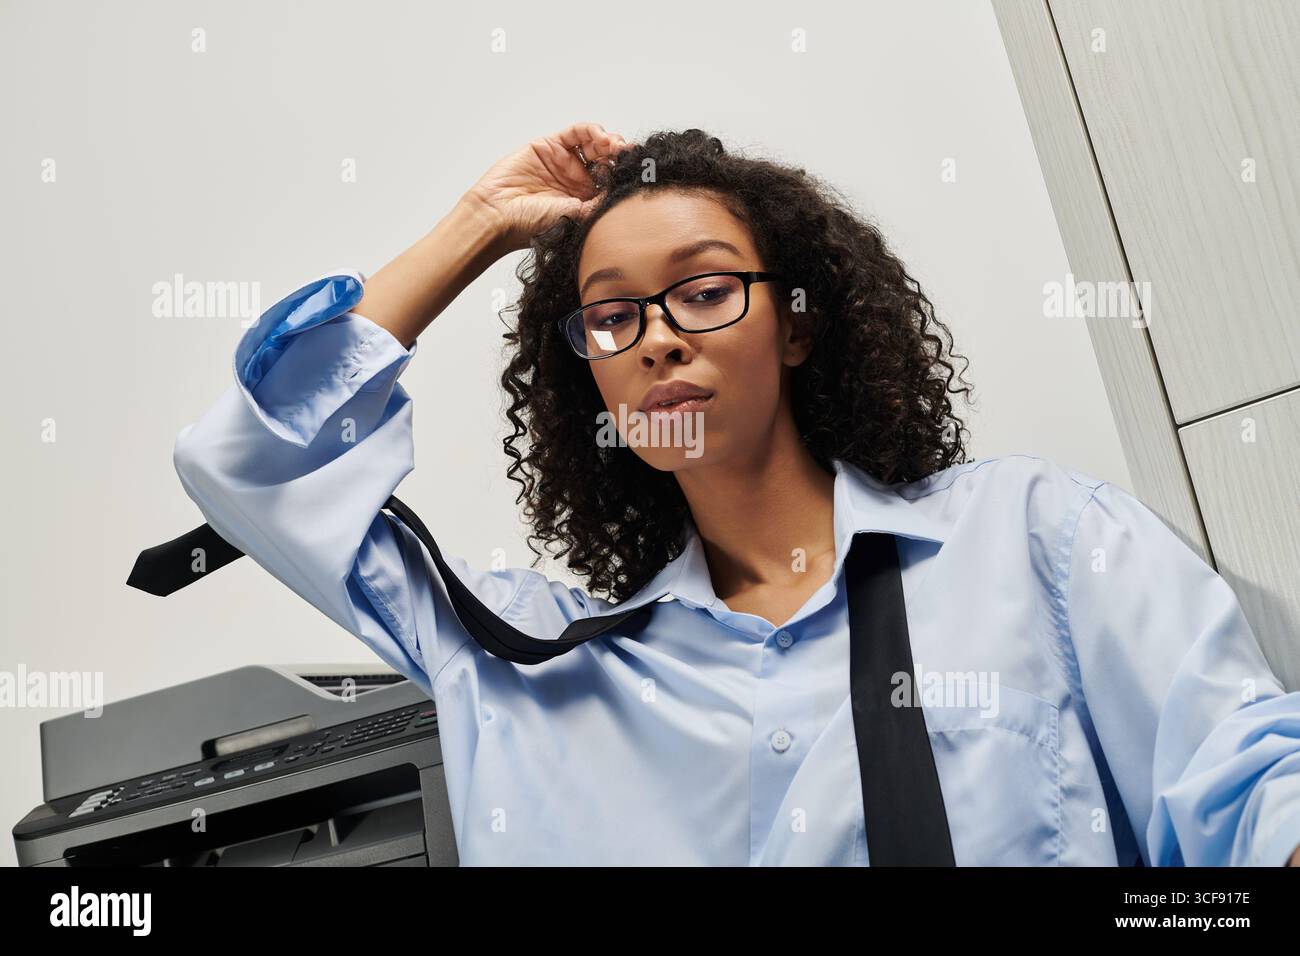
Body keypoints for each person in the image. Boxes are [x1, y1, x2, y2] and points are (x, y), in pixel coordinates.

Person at [171, 123, 1300, 866]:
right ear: (592, 376)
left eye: (702, 290)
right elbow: (248, 467)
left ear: (798, 319)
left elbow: (1251, 791)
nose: (656, 337)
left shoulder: (1036, 542)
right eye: (611, 315)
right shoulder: (533, 661)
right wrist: (479, 225)